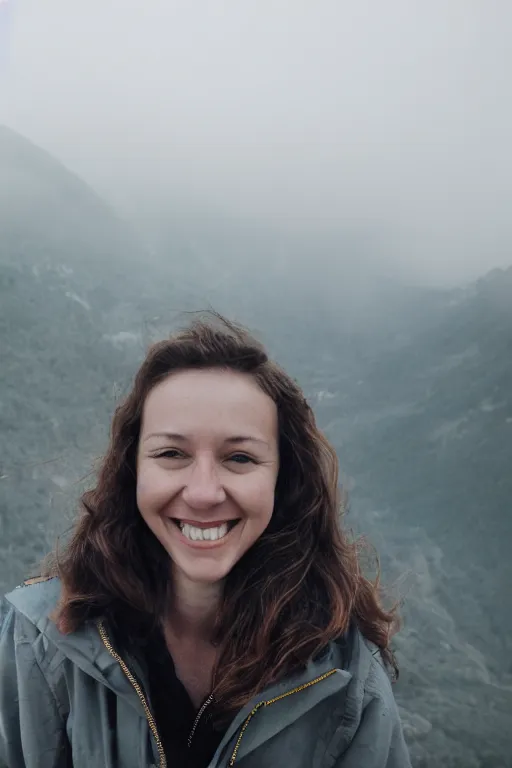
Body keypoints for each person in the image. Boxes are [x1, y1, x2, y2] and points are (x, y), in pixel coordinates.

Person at [0, 313, 411, 768]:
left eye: (239, 457)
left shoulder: (346, 679)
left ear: (282, 479)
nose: (202, 493)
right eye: (171, 454)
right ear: (133, 469)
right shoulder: (44, 641)